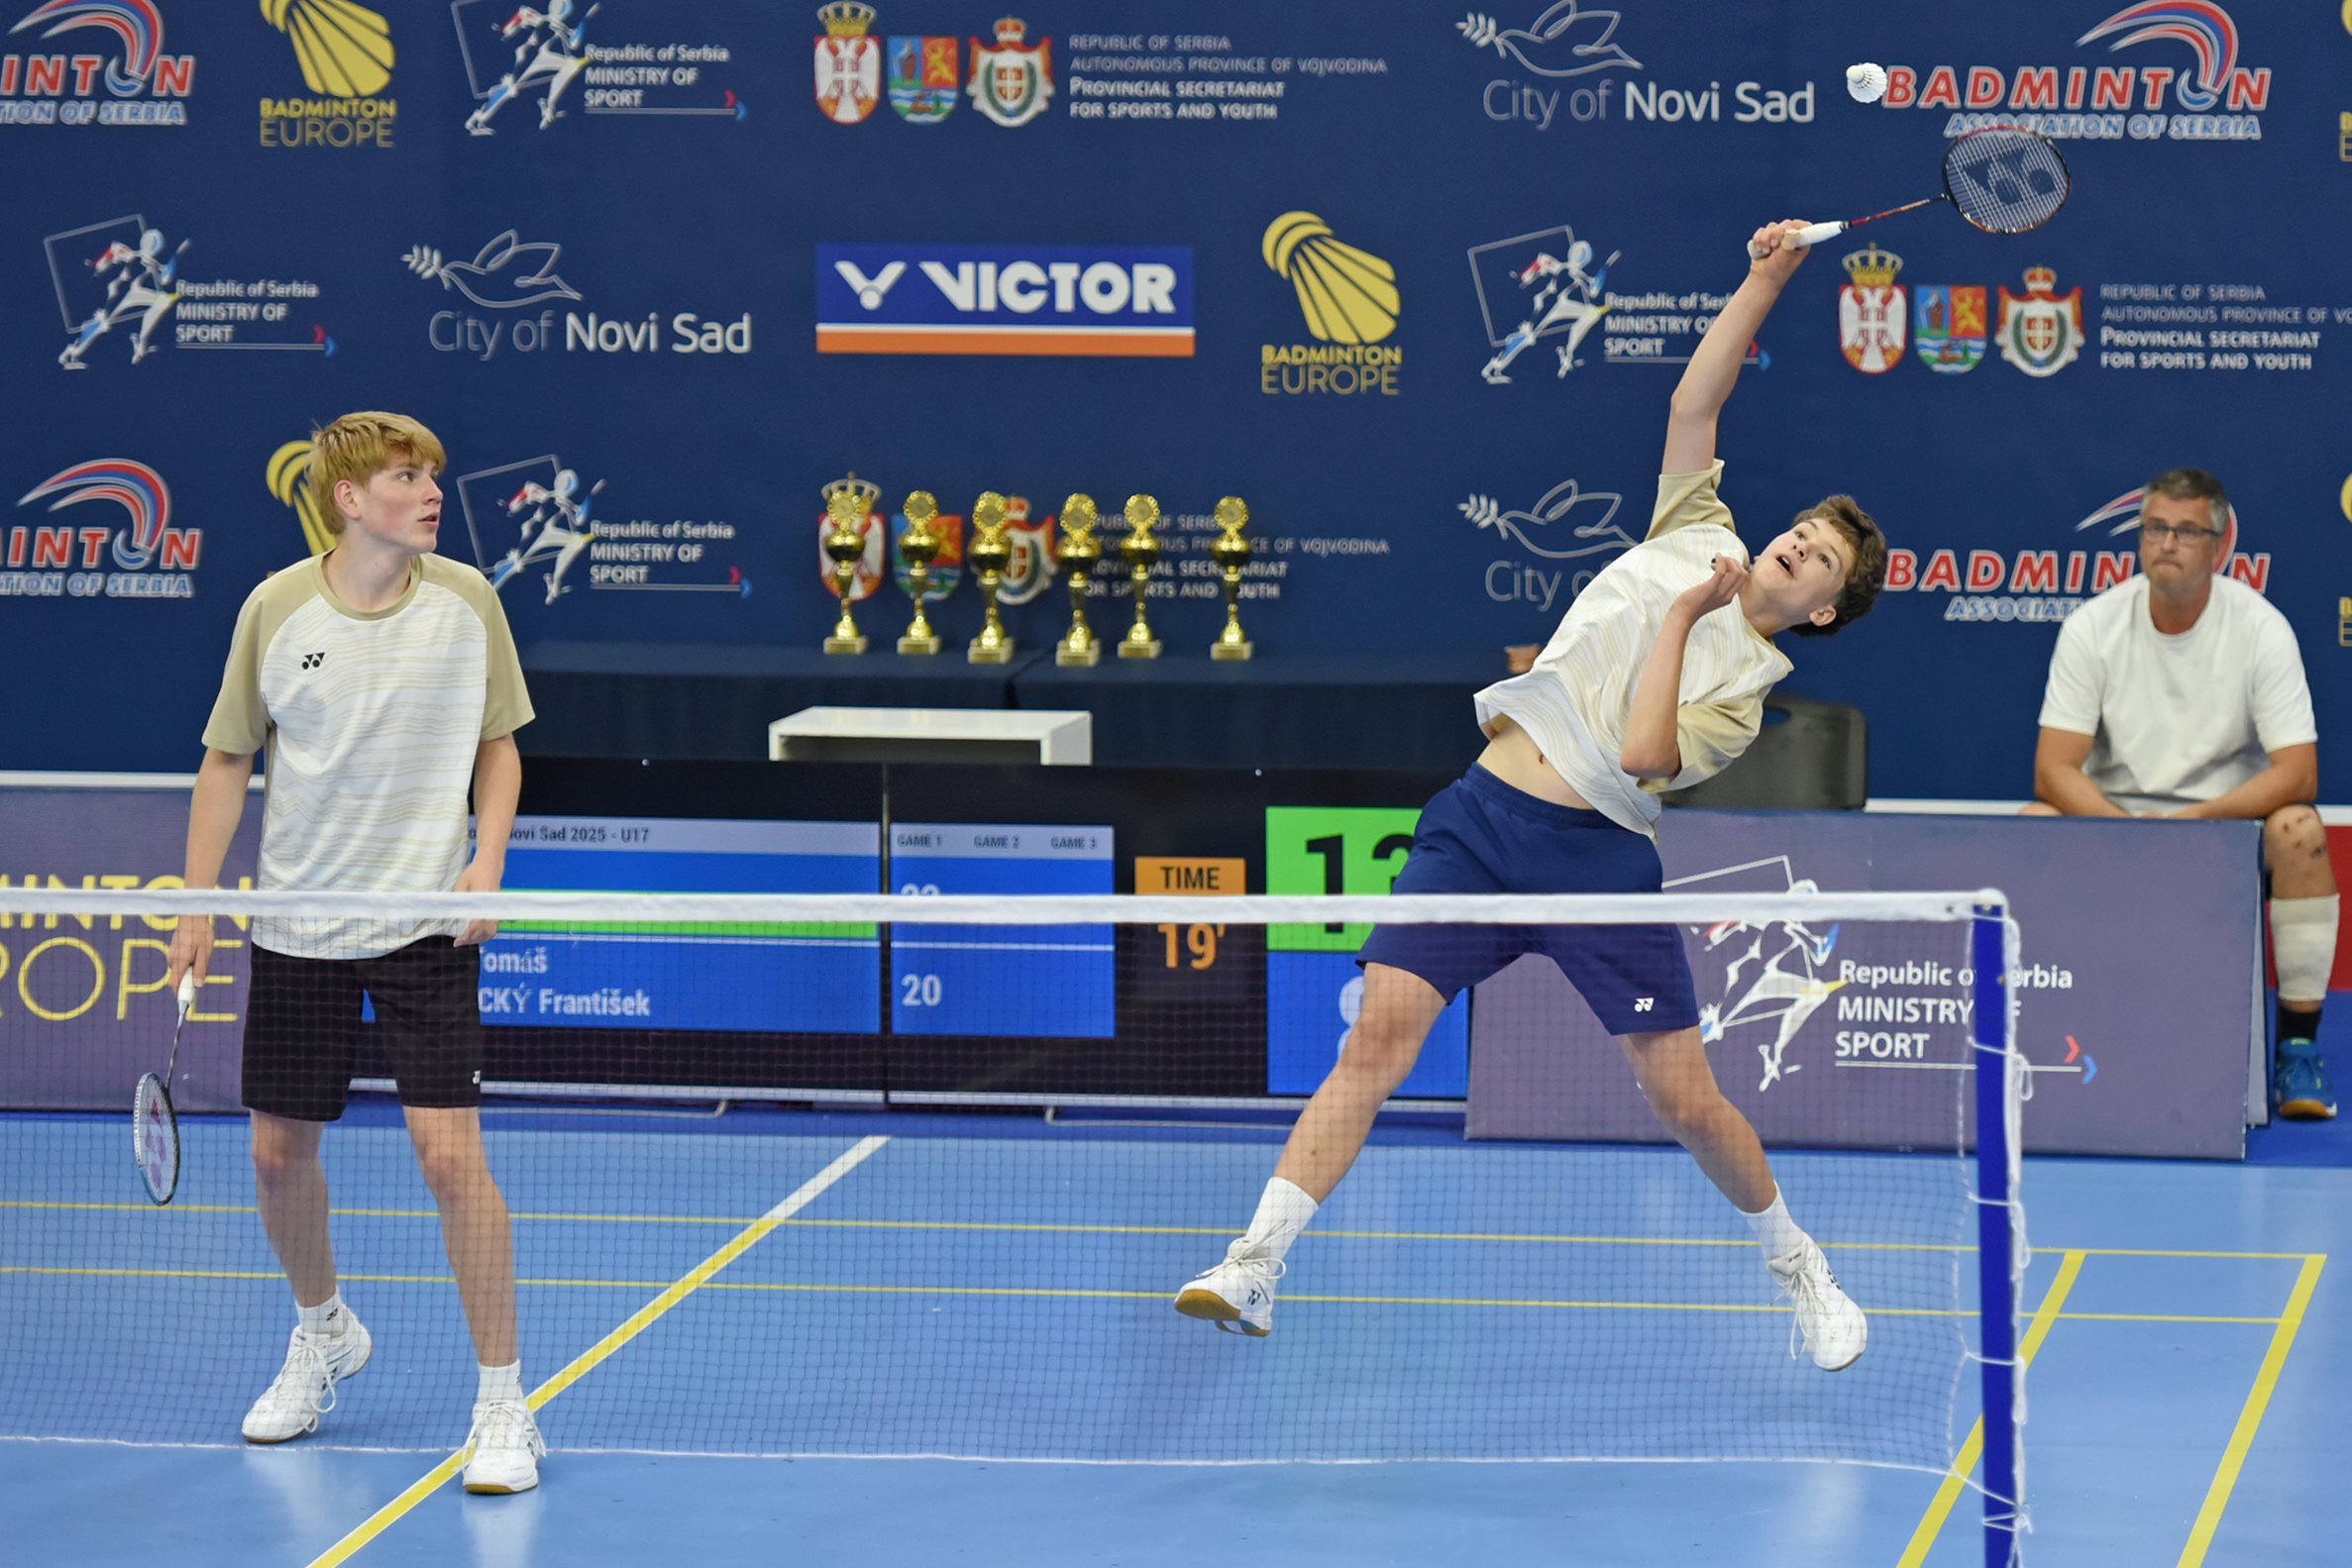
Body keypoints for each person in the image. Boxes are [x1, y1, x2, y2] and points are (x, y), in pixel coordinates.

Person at [1174, 220, 1890, 1370]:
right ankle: (1254, 1261)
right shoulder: (1696, 527)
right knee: (1378, 1040)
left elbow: (1644, 753)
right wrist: (1761, 280)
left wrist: (1683, 617)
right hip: (1478, 820)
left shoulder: (1744, 695)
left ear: (1819, 610)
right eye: (1800, 532)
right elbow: (1694, 401)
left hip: (1595, 858)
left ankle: (1800, 1265)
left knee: (1687, 1101)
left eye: (1817, 562)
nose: (1796, 548)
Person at [163, 411, 546, 1490]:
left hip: (425, 921)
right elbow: (226, 759)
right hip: (300, 924)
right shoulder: (275, 608)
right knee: (276, 1155)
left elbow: (500, 747)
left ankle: (504, 1402)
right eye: (406, 476)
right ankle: (324, 1329)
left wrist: (487, 860)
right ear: (348, 498)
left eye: (432, 474)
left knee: (450, 1158)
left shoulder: (468, 601)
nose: (431, 492)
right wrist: (196, 901)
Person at [2029, 468, 2336, 1119]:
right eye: (2155, 528)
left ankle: (2299, 1048)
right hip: (2115, 822)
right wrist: (2128, 831)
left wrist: (2197, 823)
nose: (2167, 543)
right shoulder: (2093, 626)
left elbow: (2298, 773)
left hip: (2226, 829)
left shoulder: (2261, 628)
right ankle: (2043, 1038)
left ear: (2220, 547)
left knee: (2301, 830)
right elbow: (2053, 770)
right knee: (2034, 821)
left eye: (2187, 531)